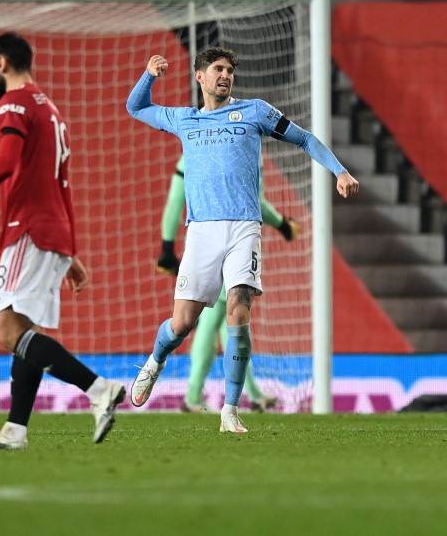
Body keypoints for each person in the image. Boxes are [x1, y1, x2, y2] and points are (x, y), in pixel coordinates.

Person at [126, 46, 359, 433]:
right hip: (201, 231)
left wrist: (339, 171)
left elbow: (305, 139)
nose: (226, 75)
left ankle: (230, 411)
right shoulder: (184, 119)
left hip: (243, 228)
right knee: (183, 323)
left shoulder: (255, 112)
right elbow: (136, 107)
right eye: (217, 69)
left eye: (230, 70)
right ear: (200, 77)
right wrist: (149, 75)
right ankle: (154, 362)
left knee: (239, 310)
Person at [0, 32, 125, 451]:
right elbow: (61, 183)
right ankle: (16, 430)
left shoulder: (15, 102)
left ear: (1, 64)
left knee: (8, 331)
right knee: (26, 331)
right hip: (50, 229)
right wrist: (68, 248)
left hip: (28, 228)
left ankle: (98, 389)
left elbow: (6, 161)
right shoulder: (50, 109)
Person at [156, 153, 301, 413]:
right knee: (219, 321)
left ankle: (246, 394)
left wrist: (167, 246)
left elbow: (176, 198)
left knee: (219, 322)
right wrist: (282, 224)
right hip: (232, 243)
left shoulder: (192, 147)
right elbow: (254, 201)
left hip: (201, 242)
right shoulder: (245, 148)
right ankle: (194, 395)